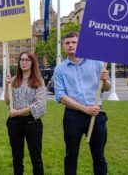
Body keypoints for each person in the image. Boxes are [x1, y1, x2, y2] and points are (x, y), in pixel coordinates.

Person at [53, 31, 111, 175]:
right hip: (73, 116)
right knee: (71, 157)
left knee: (99, 157)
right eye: (67, 43)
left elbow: (106, 88)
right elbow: (60, 96)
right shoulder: (59, 69)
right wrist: (84, 109)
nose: (71, 45)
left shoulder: (96, 62)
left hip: (97, 115)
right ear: (64, 47)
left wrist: (105, 80)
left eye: (74, 42)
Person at [4, 51, 46, 175]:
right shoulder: (14, 80)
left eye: (27, 60)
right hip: (15, 123)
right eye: (22, 60)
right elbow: (7, 101)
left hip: (32, 122)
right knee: (17, 157)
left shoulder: (38, 81)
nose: (24, 62)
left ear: (32, 62)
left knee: (36, 158)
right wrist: (7, 86)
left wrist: (17, 112)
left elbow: (40, 105)